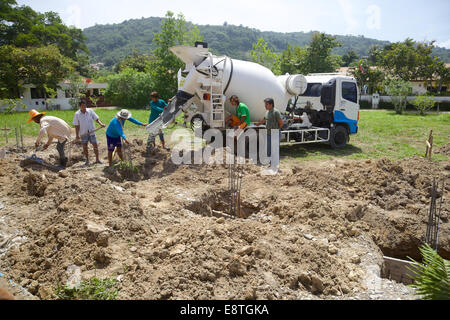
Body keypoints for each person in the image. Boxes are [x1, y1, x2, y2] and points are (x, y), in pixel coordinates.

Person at [73, 100, 106, 166]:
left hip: (91, 132)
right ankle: (87, 160)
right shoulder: (77, 114)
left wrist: (101, 124)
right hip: (83, 133)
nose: (84, 107)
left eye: (85, 106)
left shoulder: (90, 111)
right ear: (79, 107)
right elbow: (76, 125)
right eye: (82, 106)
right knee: (85, 147)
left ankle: (97, 159)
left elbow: (96, 118)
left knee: (95, 145)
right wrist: (77, 135)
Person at [256, 98, 284, 170]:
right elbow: (264, 119)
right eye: (265, 104)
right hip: (268, 134)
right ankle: (271, 163)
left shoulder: (276, 112)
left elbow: (281, 123)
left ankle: (274, 165)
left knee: (274, 150)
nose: (265, 106)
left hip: (275, 134)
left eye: (267, 104)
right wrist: (258, 124)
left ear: (271, 104)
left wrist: (276, 131)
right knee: (269, 150)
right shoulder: (267, 112)